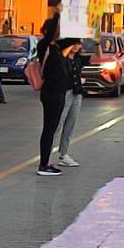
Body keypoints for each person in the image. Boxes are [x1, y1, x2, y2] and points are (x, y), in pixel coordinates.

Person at [36, 37, 79, 176]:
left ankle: (45, 163)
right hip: (52, 95)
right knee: (50, 129)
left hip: (54, 94)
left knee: (50, 129)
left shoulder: (56, 53)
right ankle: (44, 165)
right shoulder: (49, 50)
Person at [52, 38, 86, 167]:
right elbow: (62, 56)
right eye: (74, 43)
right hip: (64, 93)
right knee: (58, 124)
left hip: (77, 93)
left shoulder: (78, 59)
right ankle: (46, 155)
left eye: (79, 43)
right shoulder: (63, 59)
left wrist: (97, 43)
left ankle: (63, 154)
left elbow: (97, 57)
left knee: (70, 124)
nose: (77, 46)